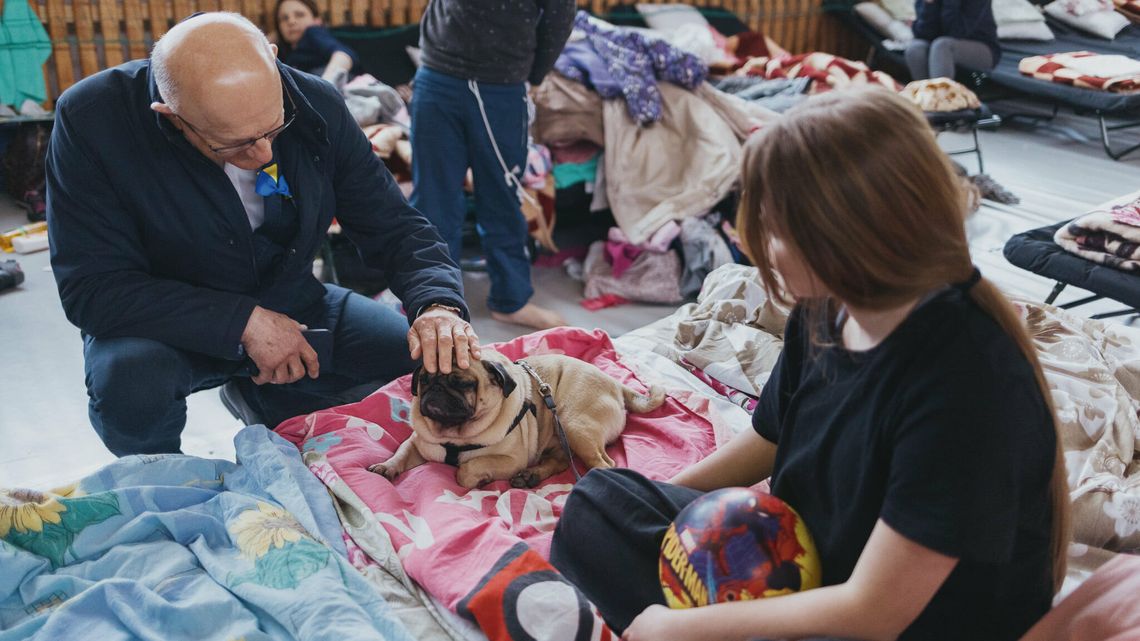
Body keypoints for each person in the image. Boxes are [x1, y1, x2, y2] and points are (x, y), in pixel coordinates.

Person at [549, 87, 1069, 641]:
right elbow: (771, 437)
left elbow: (875, 611)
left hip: (906, 620)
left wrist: (684, 629)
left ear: (849, 234)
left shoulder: (967, 381)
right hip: (808, 560)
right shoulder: (826, 307)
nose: (764, 251)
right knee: (599, 506)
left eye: (780, 231)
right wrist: (673, 526)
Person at [46, 12, 479, 457]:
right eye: (233, 144)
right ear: (172, 117)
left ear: (272, 61)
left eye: (274, 129)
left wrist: (437, 304)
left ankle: (271, 397)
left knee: (431, 361)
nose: (264, 152)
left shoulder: (315, 103)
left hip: (292, 301)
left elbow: (395, 227)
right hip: (167, 321)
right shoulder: (93, 119)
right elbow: (93, 289)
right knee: (132, 383)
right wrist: (242, 323)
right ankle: (162, 476)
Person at [410, 0, 575, 330]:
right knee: (432, 199)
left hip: (500, 83)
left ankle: (511, 300)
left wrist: (532, 73)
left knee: (501, 195)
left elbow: (560, 15)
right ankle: (432, 303)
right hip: (437, 73)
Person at [905, 0, 1000, 80]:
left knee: (942, 46)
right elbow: (922, 34)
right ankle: (925, 98)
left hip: (983, 48)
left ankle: (942, 100)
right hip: (940, 44)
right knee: (915, 49)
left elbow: (956, 32)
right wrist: (929, 4)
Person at [274, 0, 357, 84]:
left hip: (331, 81)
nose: (291, 22)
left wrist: (327, 83)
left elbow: (343, 55)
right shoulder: (284, 53)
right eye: (284, 18)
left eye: (299, 15)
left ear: (317, 20)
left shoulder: (313, 32)